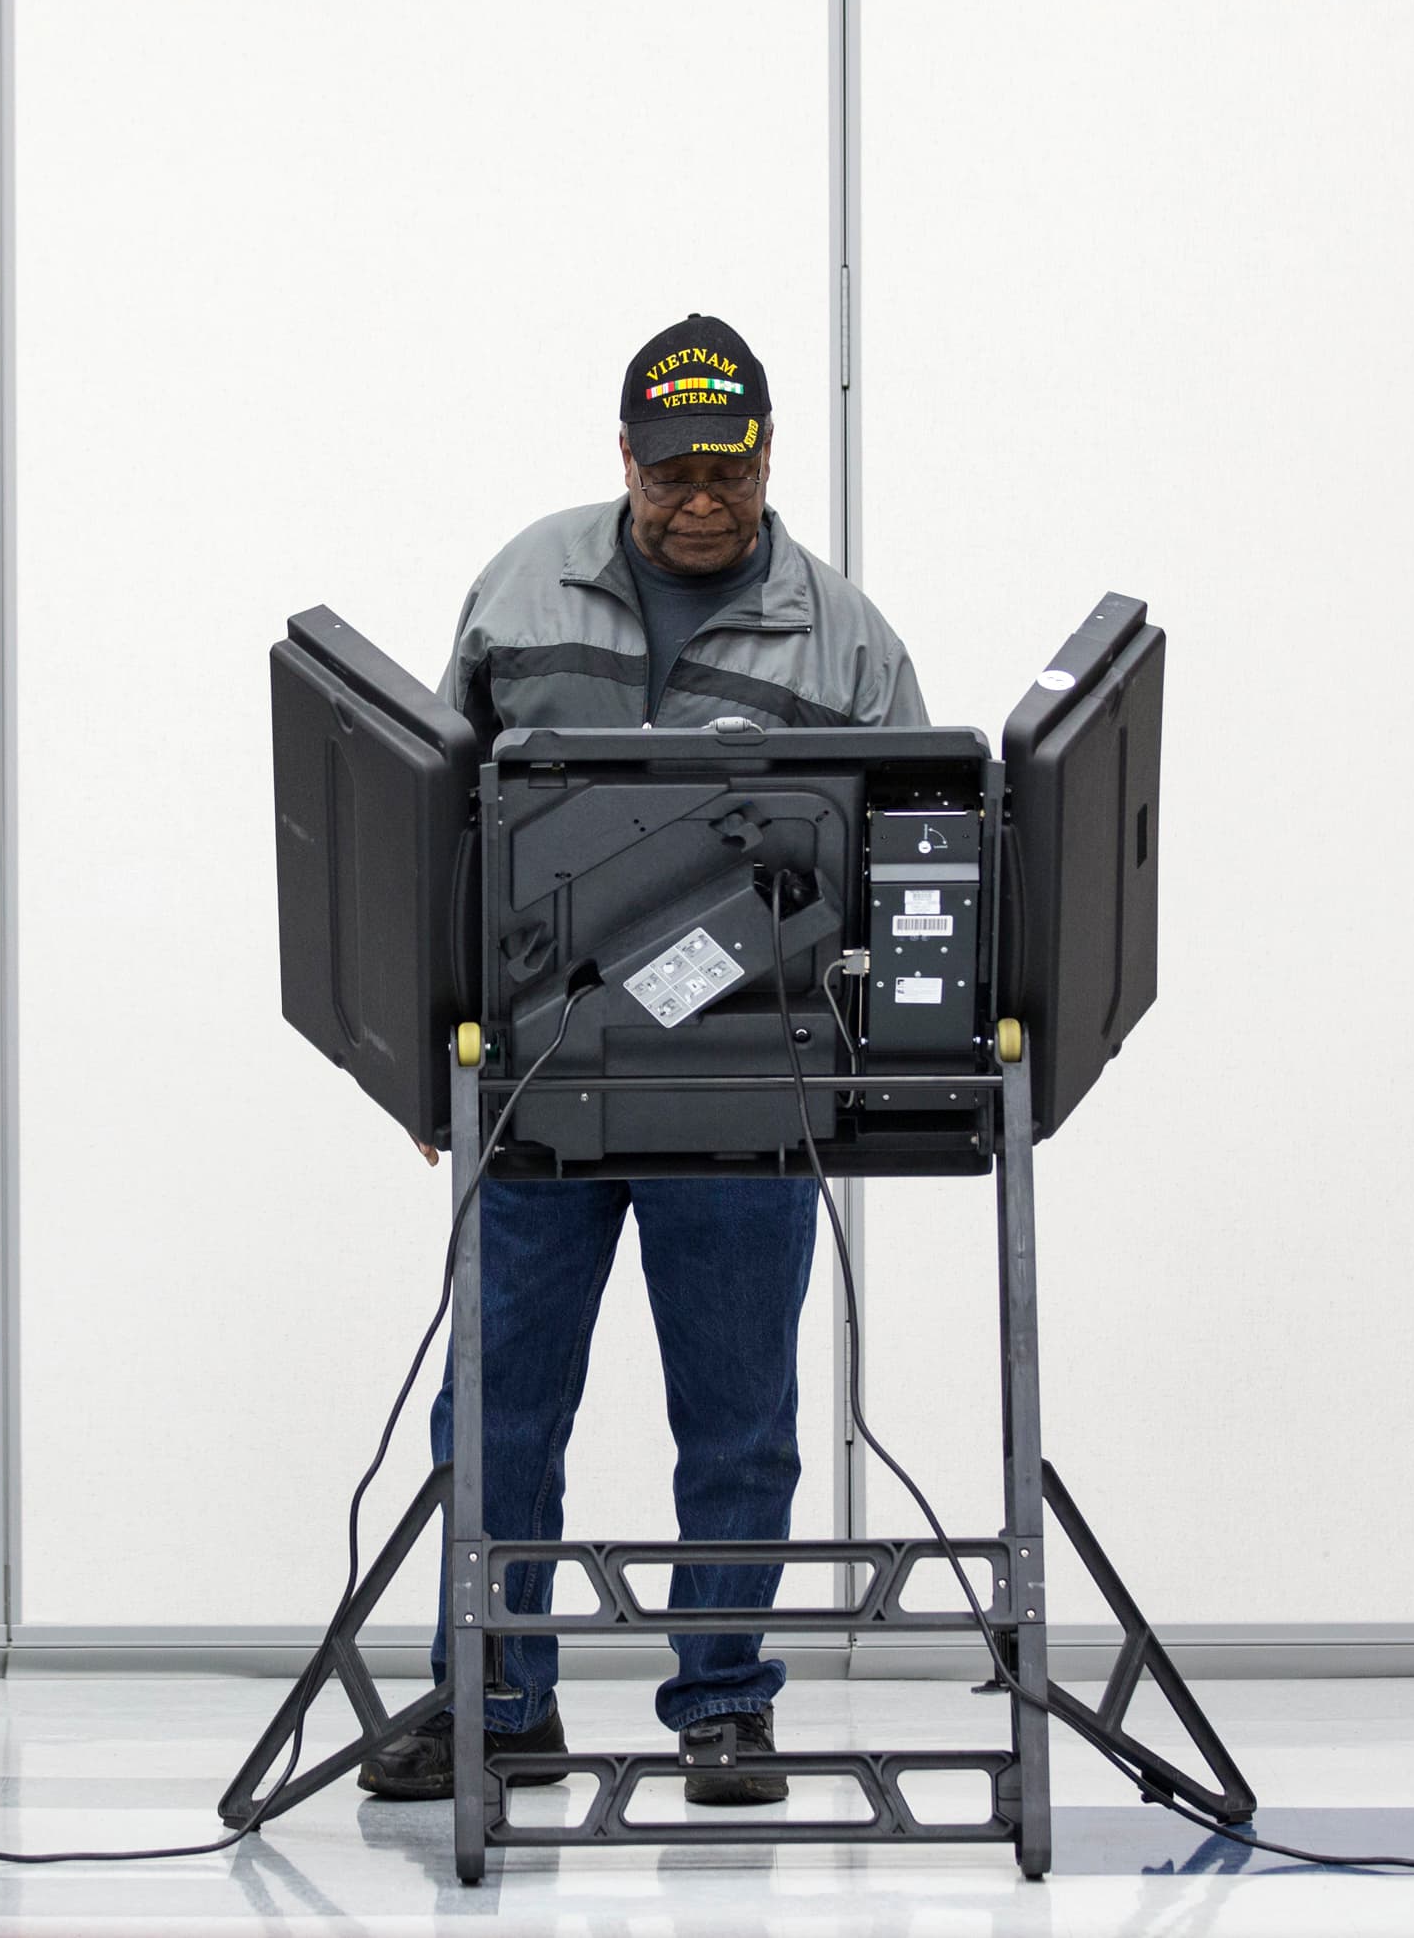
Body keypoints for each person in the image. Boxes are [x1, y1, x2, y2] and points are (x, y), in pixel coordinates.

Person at [357, 315, 924, 1807]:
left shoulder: (846, 636)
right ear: (624, 459)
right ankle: (495, 1696)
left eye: (726, 468)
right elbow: (436, 832)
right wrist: (430, 1052)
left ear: (767, 456)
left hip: (741, 1101)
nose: (699, 499)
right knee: (495, 1405)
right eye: (671, 469)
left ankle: (723, 1702)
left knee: (735, 1414)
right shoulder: (522, 586)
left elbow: (901, 866)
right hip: (541, 1088)